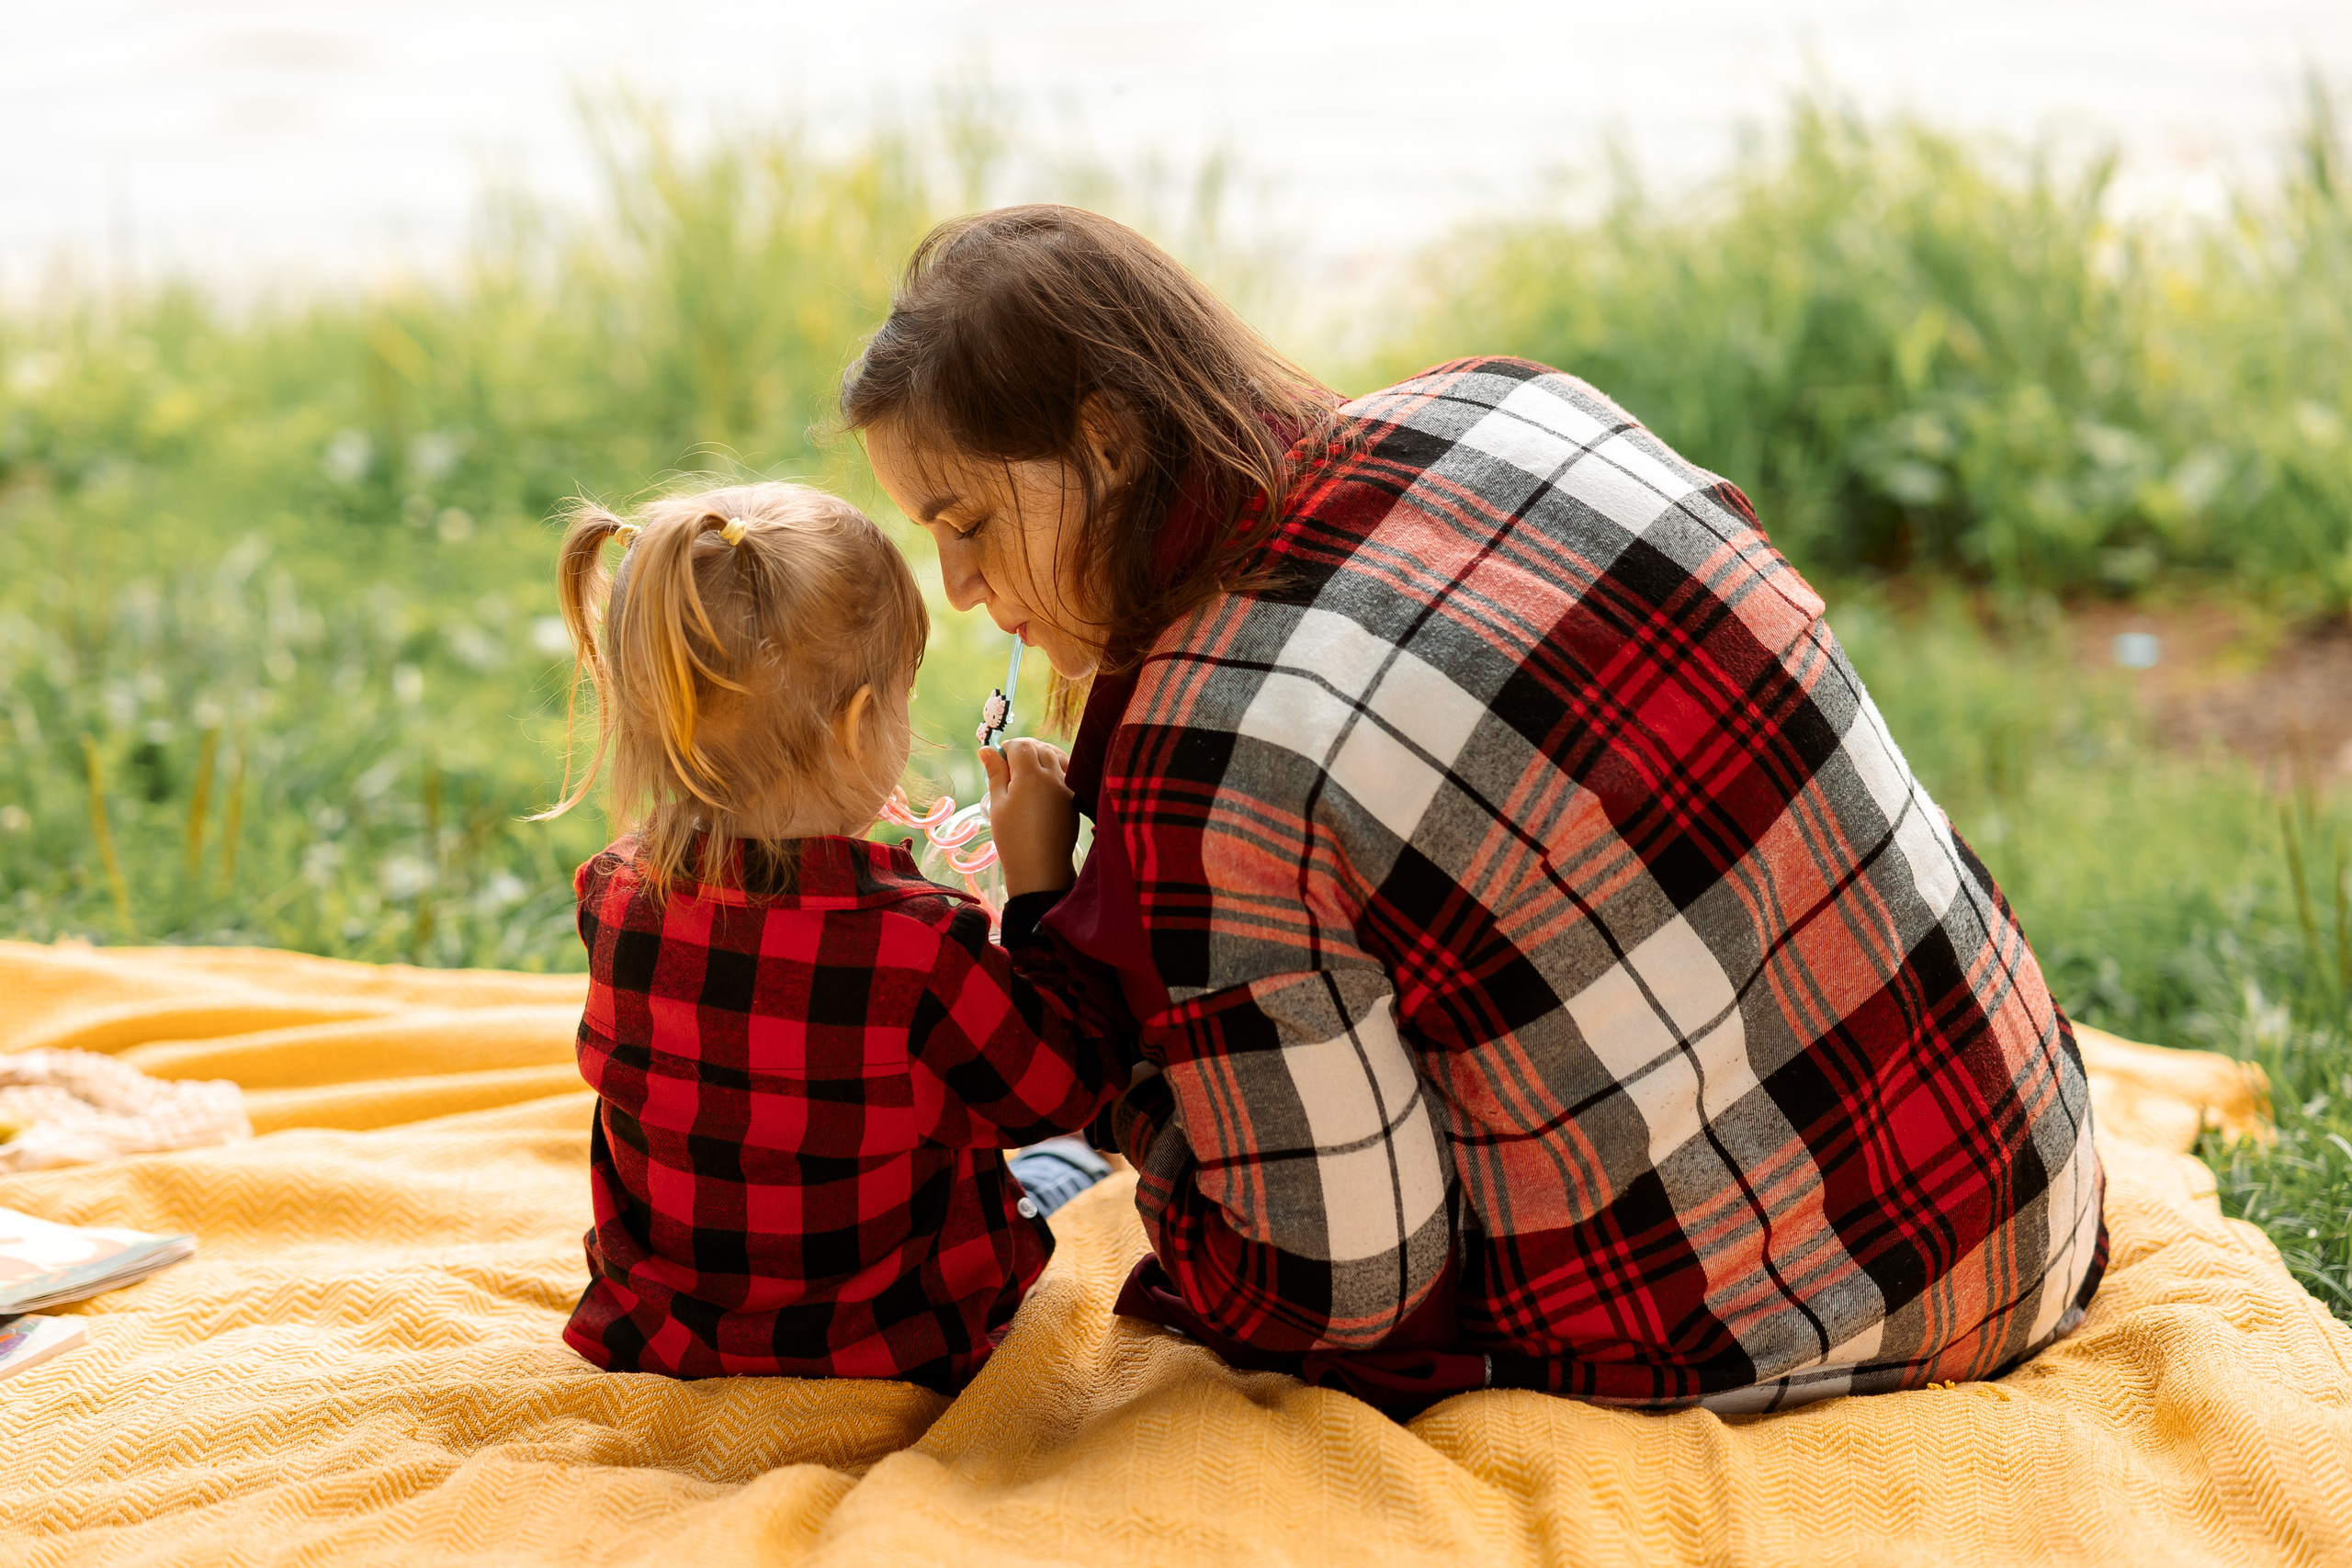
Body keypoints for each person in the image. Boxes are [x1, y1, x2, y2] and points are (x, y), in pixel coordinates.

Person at [842, 206, 2108, 1414]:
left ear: (1108, 441)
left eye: (968, 520)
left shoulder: (1212, 755)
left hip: (1852, 1309)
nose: (956, 587)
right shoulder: (1505, 399)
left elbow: (1337, 1289)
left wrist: (1083, 985)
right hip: (2024, 1163)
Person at [537, 480, 1120, 1393]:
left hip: (665, 1340)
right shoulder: (918, 947)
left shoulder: (610, 896)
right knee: (1064, 1156)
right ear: (858, 729)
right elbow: (1063, 1088)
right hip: (892, 1343)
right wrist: (1042, 880)